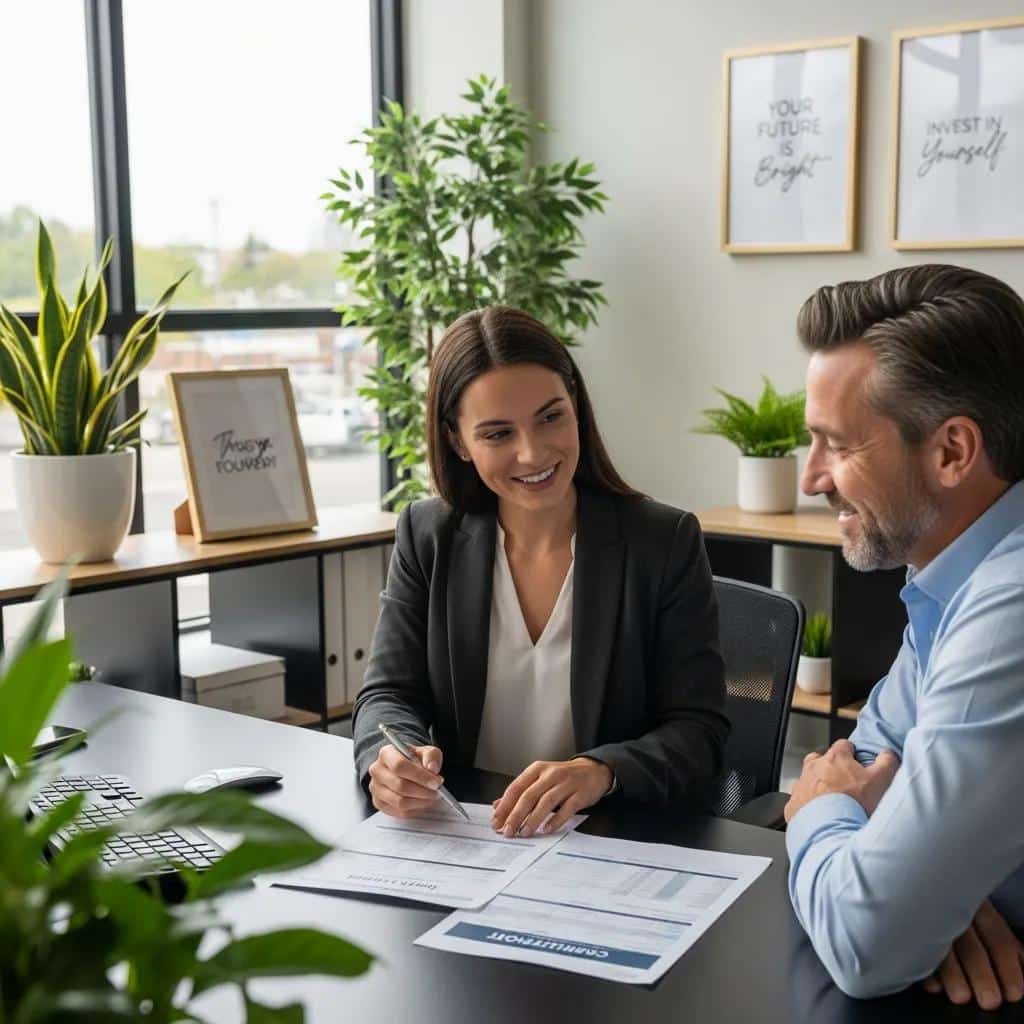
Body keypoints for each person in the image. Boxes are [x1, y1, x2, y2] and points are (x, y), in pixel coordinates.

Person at [352, 305, 728, 837]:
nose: (533, 453)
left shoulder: (662, 542)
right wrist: (388, 758)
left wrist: (602, 771)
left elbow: (700, 730)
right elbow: (387, 695)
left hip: (610, 841)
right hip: (472, 840)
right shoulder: (428, 534)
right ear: (458, 442)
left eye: (551, 417)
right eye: (498, 434)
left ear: (575, 405)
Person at [784, 265, 1024, 1010]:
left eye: (837, 445)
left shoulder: (1008, 612)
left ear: (952, 451)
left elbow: (867, 941)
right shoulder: (952, 576)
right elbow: (865, 755)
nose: (811, 480)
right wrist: (931, 895)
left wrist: (820, 808)